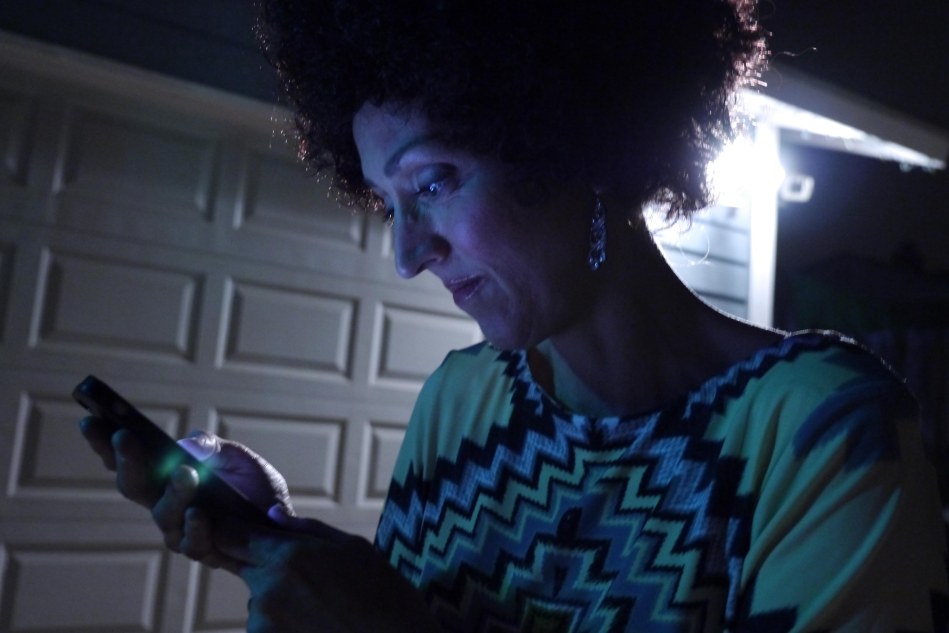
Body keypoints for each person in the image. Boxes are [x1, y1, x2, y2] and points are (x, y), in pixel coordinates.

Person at [79, 1, 949, 631]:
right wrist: (272, 541)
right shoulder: (460, 400)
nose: (409, 252)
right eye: (389, 203)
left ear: (580, 144)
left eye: (433, 182)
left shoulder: (821, 429)